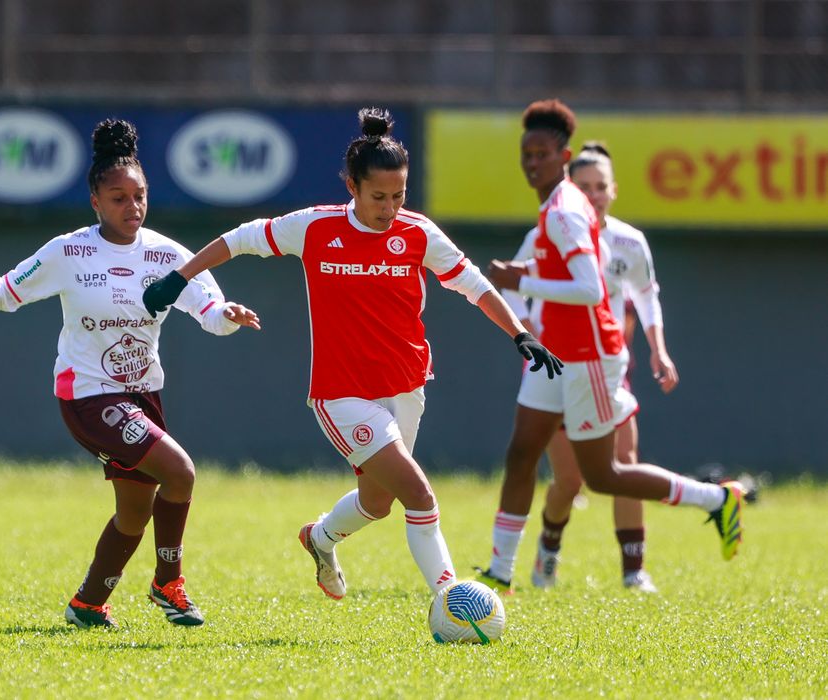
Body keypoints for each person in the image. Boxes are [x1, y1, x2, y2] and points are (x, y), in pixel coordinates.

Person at [142, 107, 561, 604]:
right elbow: (238, 240)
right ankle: (455, 602)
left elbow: (474, 285)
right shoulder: (315, 228)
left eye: (399, 195)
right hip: (342, 395)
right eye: (378, 196)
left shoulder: (418, 234)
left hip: (407, 386)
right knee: (419, 495)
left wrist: (519, 333)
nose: (389, 208)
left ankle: (319, 538)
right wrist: (178, 278)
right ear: (352, 186)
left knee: (377, 501)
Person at [0, 119, 260, 630]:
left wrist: (228, 317)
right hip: (88, 397)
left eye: (140, 196)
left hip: (143, 397)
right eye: (118, 198)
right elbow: (5, 293)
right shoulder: (68, 251)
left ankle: (87, 603)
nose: (133, 207)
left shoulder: (168, 255)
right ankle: (169, 581)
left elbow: (209, 312)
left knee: (134, 513)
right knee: (181, 472)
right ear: (95, 201)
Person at [477, 99, 744, 594]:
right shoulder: (555, 210)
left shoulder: (563, 213)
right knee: (521, 455)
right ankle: (499, 573)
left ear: (564, 157)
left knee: (603, 475)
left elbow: (591, 290)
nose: (531, 163)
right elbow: (550, 279)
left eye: (541, 154)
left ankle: (717, 500)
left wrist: (522, 280)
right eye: (526, 154)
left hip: (589, 358)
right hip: (553, 355)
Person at [502, 143, 680, 593]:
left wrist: (659, 350)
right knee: (571, 479)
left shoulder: (628, 241)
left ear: (614, 190)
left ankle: (633, 571)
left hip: (608, 370)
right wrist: (534, 342)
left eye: (602, 186)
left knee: (624, 464)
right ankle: (547, 551)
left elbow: (645, 294)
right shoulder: (549, 234)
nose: (595, 194)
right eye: (585, 186)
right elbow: (511, 292)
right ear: (569, 190)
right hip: (560, 373)